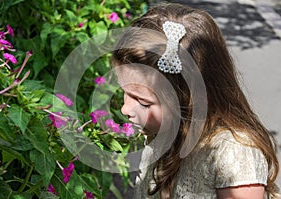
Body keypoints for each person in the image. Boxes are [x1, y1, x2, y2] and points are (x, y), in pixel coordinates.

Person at [111, 2, 279, 199]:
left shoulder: (234, 155)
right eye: (125, 91)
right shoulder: (165, 132)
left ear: (189, 100)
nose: (125, 109)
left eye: (144, 103)